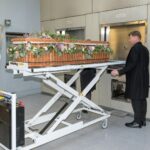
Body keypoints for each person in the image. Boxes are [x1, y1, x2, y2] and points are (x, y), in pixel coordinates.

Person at [111, 31, 149, 128]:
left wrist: (118, 72)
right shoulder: (145, 49)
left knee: (136, 99)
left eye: (130, 37)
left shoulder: (135, 49)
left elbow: (132, 65)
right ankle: (142, 120)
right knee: (142, 99)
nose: (129, 40)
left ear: (136, 37)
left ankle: (137, 122)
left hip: (135, 78)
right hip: (144, 78)